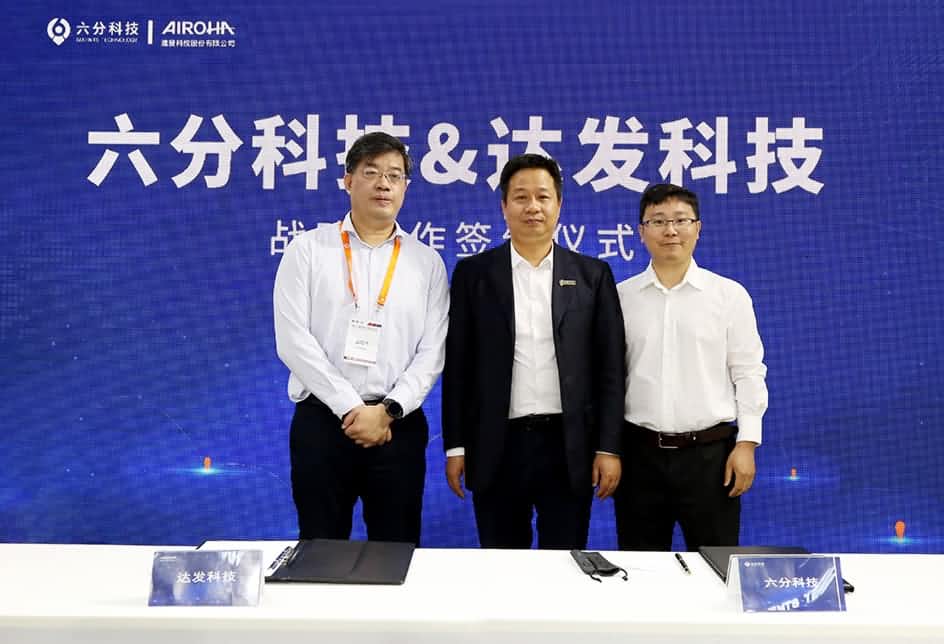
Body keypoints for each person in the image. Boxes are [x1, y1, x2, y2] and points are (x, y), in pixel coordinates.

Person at [442, 153, 625, 550]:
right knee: (502, 562)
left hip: (568, 445)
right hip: (497, 444)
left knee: (565, 561)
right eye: (521, 197)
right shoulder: (474, 274)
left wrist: (608, 446)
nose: (532, 207)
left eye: (543, 196)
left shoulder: (592, 275)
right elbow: (458, 368)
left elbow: (611, 370)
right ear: (504, 206)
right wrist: (455, 446)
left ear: (559, 204)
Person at [273, 132, 448, 545]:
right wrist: (351, 407)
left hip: (396, 427)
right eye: (371, 173)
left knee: (396, 549)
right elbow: (292, 339)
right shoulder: (307, 250)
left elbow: (433, 350)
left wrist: (388, 410)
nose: (383, 184)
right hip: (323, 424)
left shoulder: (427, 262)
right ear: (348, 180)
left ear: (405, 187)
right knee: (320, 549)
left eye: (394, 175)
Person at [614, 183, 768, 551]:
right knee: (641, 568)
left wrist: (747, 443)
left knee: (717, 566)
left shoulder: (728, 296)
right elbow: (609, 379)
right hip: (639, 457)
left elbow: (748, 371)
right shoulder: (620, 297)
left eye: (681, 220)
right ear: (641, 231)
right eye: (658, 221)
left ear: (697, 228)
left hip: (711, 457)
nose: (670, 230)